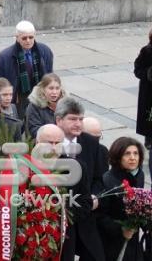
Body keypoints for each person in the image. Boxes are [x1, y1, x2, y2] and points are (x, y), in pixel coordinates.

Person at [53, 97, 105, 260]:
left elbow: (99, 178)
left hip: (85, 215)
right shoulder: (48, 142)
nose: (78, 124)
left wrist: (96, 195)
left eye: (80, 119)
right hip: (59, 220)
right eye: (73, 119)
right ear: (59, 120)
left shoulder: (90, 142)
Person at [0, 20, 54, 117]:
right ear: (17, 38)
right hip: (17, 97)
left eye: (31, 37)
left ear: (35, 35)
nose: (28, 41)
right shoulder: (3, 57)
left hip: (39, 95)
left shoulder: (45, 51)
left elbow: (50, 76)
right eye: (24, 38)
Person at [98, 137, 146, 261]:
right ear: (118, 157)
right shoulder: (108, 180)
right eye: (127, 154)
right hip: (113, 242)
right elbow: (100, 215)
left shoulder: (139, 174)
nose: (132, 158)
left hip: (133, 240)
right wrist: (120, 229)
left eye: (136, 153)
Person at [25, 73, 68, 138]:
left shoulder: (66, 105)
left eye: (57, 88)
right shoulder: (34, 106)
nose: (54, 92)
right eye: (51, 88)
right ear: (43, 89)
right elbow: (34, 130)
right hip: (42, 143)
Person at [133, 27, 152, 147]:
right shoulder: (147, 51)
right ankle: (149, 139)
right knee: (149, 117)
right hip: (149, 93)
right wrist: (149, 73)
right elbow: (137, 69)